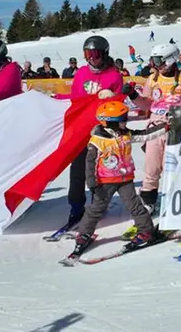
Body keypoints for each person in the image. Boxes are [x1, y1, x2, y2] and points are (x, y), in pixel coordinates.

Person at [69, 102, 167, 258]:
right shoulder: (97, 140)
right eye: (122, 119)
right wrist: (92, 183)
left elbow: (145, 134)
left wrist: (164, 128)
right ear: (109, 122)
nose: (125, 122)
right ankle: (84, 234)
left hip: (125, 179)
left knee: (135, 206)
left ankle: (146, 231)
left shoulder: (125, 133)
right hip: (105, 182)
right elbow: (90, 163)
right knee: (96, 210)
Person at [55, 36, 124, 229]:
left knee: (98, 170)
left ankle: (98, 204)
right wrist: (58, 99)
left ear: (104, 54)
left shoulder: (114, 75)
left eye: (95, 54)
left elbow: (120, 104)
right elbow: (76, 99)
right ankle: (76, 206)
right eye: (87, 54)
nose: (91, 59)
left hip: (101, 131)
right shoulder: (82, 73)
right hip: (81, 129)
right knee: (77, 169)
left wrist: (113, 98)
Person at [123, 43, 181, 213]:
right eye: (154, 61)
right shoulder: (153, 79)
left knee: (173, 168)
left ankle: (177, 204)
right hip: (155, 127)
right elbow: (147, 104)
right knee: (151, 167)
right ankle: (148, 202)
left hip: (178, 128)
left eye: (159, 61)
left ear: (170, 59)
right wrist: (133, 95)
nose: (156, 66)